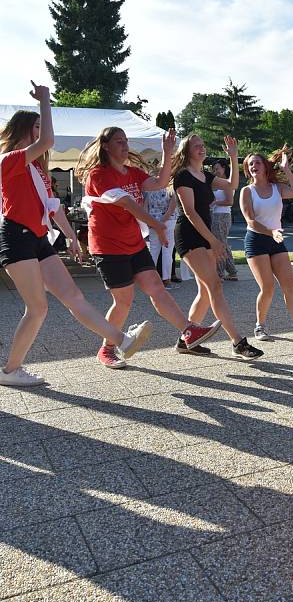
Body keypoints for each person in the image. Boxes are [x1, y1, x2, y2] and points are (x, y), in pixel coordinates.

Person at [0, 85, 152, 386]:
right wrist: (45, 101)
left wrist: (70, 237)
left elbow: (52, 208)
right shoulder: (9, 160)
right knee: (38, 307)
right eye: (38, 127)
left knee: (74, 296)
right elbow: (49, 140)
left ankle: (120, 340)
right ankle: (9, 371)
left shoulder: (36, 171)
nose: (43, 134)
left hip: (39, 239)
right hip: (16, 237)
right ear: (26, 130)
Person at [76, 126, 221, 368]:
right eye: (119, 141)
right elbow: (125, 203)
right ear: (106, 146)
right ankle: (107, 348)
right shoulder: (98, 175)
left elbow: (161, 182)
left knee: (157, 288)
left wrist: (166, 152)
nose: (125, 145)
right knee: (123, 301)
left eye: (126, 141)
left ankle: (188, 330)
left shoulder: (132, 172)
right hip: (108, 246)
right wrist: (156, 224)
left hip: (133, 243)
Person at [172, 134, 263, 360]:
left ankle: (186, 340)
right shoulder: (183, 176)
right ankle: (238, 342)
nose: (202, 149)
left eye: (203, 146)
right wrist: (213, 240)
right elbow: (190, 212)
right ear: (187, 152)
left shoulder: (205, 176)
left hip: (204, 235)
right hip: (189, 235)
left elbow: (232, 185)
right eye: (197, 146)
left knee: (206, 290)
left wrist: (233, 157)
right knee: (215, 286)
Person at [240, 146, 293, 343]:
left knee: (289, 286)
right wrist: (271, 232)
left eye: (257, 162)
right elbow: (250, 221)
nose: (253, 166)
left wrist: (285, 168)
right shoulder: (247, 191)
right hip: (256, 240)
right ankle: (260, 326)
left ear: (265, 167)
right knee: (267, 288)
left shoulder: (277, 188)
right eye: (250, 164)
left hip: (275, 240)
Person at [144, 184, 179, 288]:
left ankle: (149, 279)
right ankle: (166, 280)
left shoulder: (150, 187)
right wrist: (162, 220)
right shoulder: (172, 187)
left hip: (153, 221)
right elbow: (172, 208)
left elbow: (145, 206)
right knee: (167, 252)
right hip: (169, 222)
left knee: (153, 251)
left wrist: (150, 221)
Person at [210, 158, 238, 281]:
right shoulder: (215, 183)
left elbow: (229, 202)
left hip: (222, 216)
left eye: (217, 169)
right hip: (214, 215)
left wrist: (215, 203)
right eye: (214, 169)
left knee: (220, 244)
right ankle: (231, 271)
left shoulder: (227, 183)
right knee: (222, 244)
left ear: (224, 168)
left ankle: (220, 273)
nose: (215, 171)